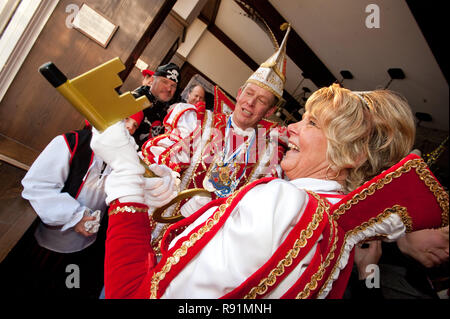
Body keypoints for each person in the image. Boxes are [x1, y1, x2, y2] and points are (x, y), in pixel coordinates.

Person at [92, 73, 448, 299]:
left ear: (350, 156)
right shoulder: (334, 232)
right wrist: (174, 198)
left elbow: (133, 294)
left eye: (310, 123)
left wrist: (125, 175)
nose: (290, 128)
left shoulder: (284, 200)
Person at [137, 26, 292, 252]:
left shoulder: (267, 154)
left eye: (261, 101)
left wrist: (216, 209)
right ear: (239, 93)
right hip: (157, 228)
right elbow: (163, 158)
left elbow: (256, 213)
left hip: (199, 249)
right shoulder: (203, 122)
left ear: (269, 112)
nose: (250, 102)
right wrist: (163, 177)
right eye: (249, 94)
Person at [132, 63, 181, 148]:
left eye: (173, 86)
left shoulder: (169, 112)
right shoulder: (135, 99)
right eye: (164, 82)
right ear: (152, 80)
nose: (169, 89)